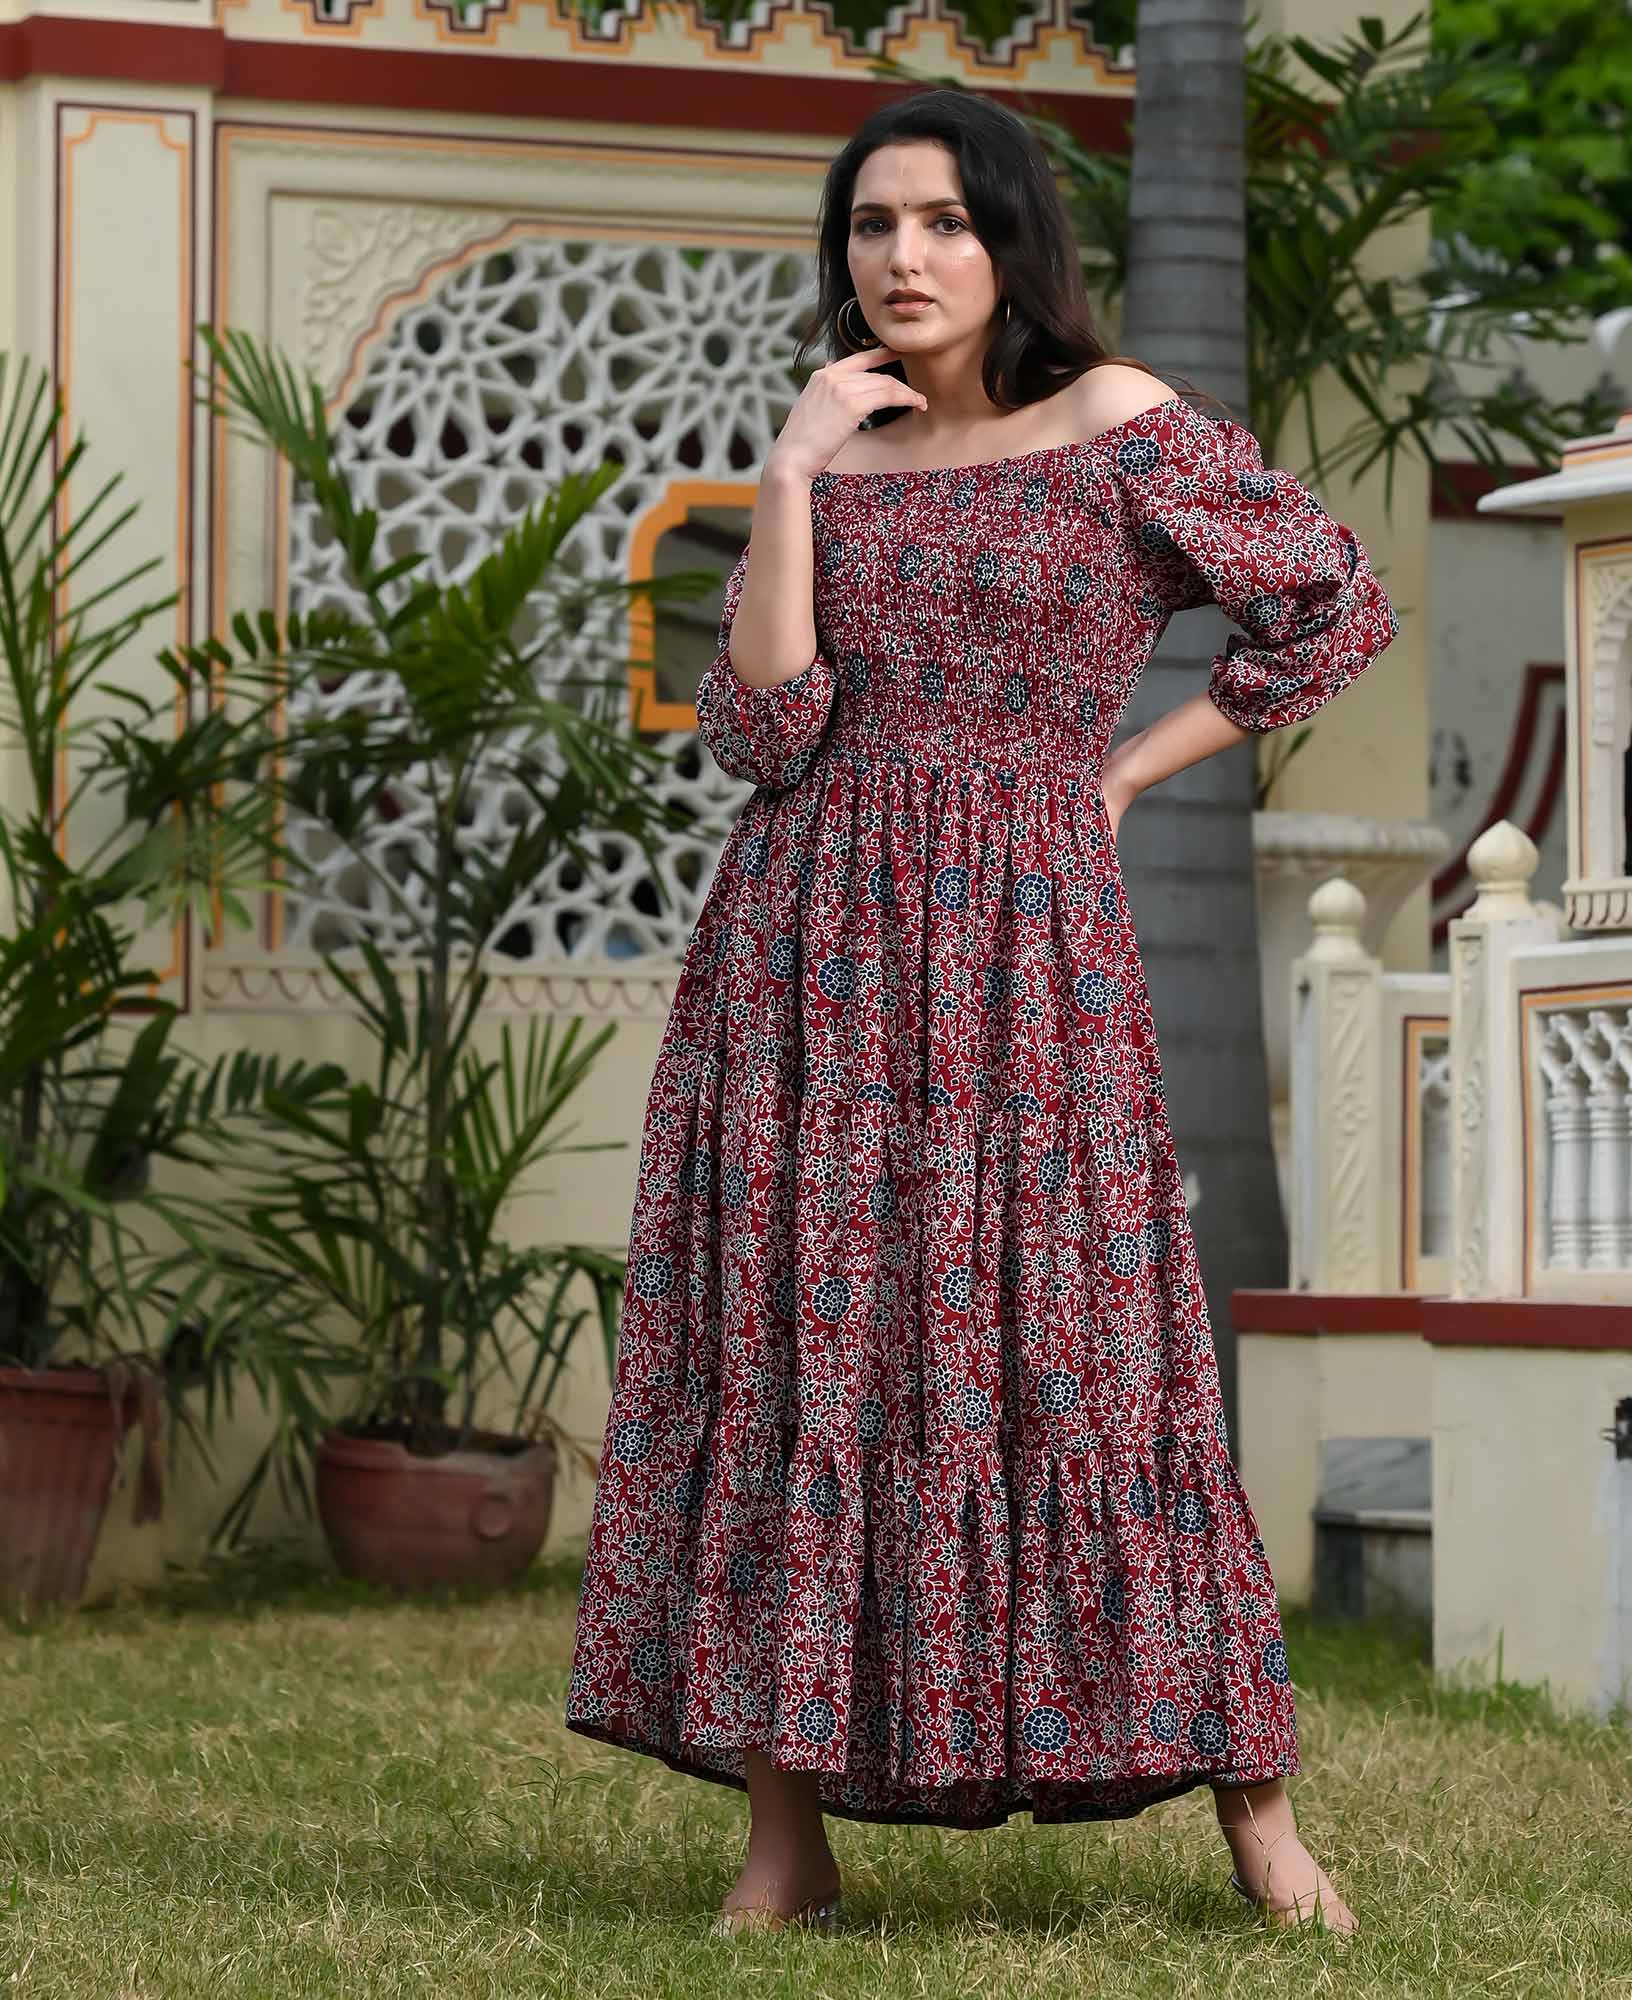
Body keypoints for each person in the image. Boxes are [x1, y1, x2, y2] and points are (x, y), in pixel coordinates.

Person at [565, 85, 1400, 1939]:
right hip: (802, 965)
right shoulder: (833, 459)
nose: (904, 259)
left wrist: (1122, 772)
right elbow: (768, 731)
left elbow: (1330, 607)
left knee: (1095, 1350)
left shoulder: (1111, 424)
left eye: (940, 222)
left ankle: (1259, 1823)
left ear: (1011, 240)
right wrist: (785, 472)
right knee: (811, 1359)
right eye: (871, 227)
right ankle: (786, 1841)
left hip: (1028, 955)